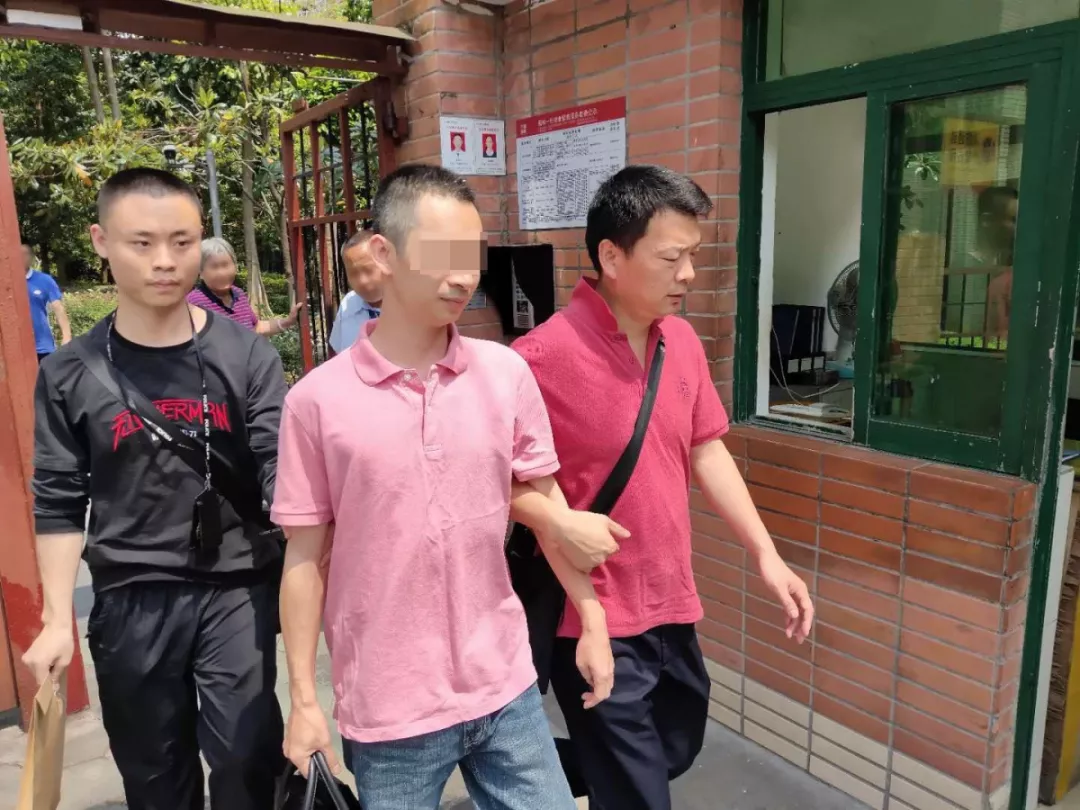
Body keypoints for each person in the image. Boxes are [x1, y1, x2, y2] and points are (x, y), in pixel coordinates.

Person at [272, 164, 609, 810]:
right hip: (389, 706)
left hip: (505, 683)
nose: (463, 276)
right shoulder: (316, 402)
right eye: (442, 256)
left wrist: (591, 617)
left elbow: (548, 508)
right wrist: (304, 700)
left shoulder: (504, 374)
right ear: (384, 253)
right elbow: (304, 560)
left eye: (471, 255)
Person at [511, 165, 815, 810]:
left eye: (692, 256)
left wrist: (767, 554)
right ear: (611, 256)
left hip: (673, 601)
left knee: (676, 746)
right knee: (640, 790)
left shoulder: (680, 341)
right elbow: (503, 485)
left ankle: (530, 765)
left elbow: (706, 448)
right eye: (672, 258)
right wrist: (560, 524)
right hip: (589, 612)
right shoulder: (539, 359)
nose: (689, 275)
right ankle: (538, 769)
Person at [23, 168, 289, 810]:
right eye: (141, 243)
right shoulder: (69, 373)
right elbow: (59, 498)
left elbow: (281, 470)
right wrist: (57, 620)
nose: (165, 260)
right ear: (101, 242)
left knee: (246, 761)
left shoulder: (247, 355)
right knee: (154, 776)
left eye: (182, 241)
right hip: (129, 592)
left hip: (236, 585)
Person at [187, 236, 302, 336]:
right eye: (214, 267)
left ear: (235, 266)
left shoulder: (239, 295)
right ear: (200, 272)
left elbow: (256, 328)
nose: (222, 273)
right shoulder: (193, 302)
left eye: (226, 265)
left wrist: (288, 321)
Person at [328, 229, 383, 355]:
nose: (362, 281)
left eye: (368, 270)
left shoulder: (411, 304)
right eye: (353, 273)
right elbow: (338, 355)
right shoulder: (348, 304)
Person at [24, 244, 71, 363]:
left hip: (42, 346)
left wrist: (66, 336)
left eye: (25, 254)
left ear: (32, 257)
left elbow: (58, 308)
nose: (21, 257)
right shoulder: (6, 282)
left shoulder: (45, 280)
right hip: (16, 347)